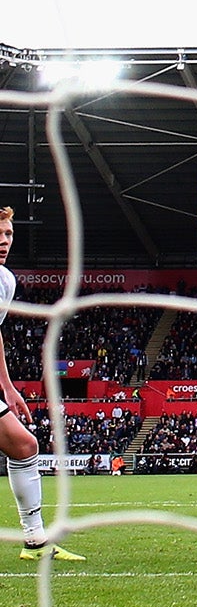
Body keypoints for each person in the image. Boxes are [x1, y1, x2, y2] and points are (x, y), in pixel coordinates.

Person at [0, 206, 82, 561]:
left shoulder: (5, 280)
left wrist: (7, 387)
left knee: (24, 446)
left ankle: (35, 541)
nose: (4, 241)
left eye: (8, 234)